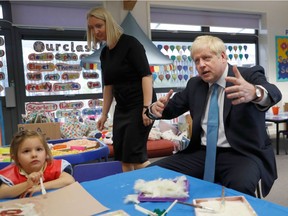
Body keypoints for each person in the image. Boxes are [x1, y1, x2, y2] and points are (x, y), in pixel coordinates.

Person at [146, 35, 282, 197]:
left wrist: (255, 92)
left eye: (206, 58)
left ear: (223, 56)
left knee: (240, 189)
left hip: (242, 153)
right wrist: (154, 109)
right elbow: (170, 109)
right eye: (196, 61)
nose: (201, 65)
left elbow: (274, 92)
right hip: (201, 153)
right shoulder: (195, 85)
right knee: (150, 174)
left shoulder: (247, 75)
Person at [86, 7, 156, 172]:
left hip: (140, 103)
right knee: (123, 157)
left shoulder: (131, 44)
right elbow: (108, 86)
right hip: (122, 107)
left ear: (108, 23)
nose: (96, 31)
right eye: (91, 28)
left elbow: (146, 76)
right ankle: (131, 193)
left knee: (136, 157)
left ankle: (160, 187)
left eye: (98, 26)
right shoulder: (105, 54)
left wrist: (147, 108)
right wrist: (104, 114)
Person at [0, 130, 75, 199]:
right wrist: (27, 184)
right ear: (15, 158)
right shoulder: (13, 173)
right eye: (26, 151)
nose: (34, 155)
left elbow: (69, 180)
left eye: (39, 149)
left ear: (46, 153)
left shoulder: (52, 166)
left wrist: (40, 187)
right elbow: (2, 193)